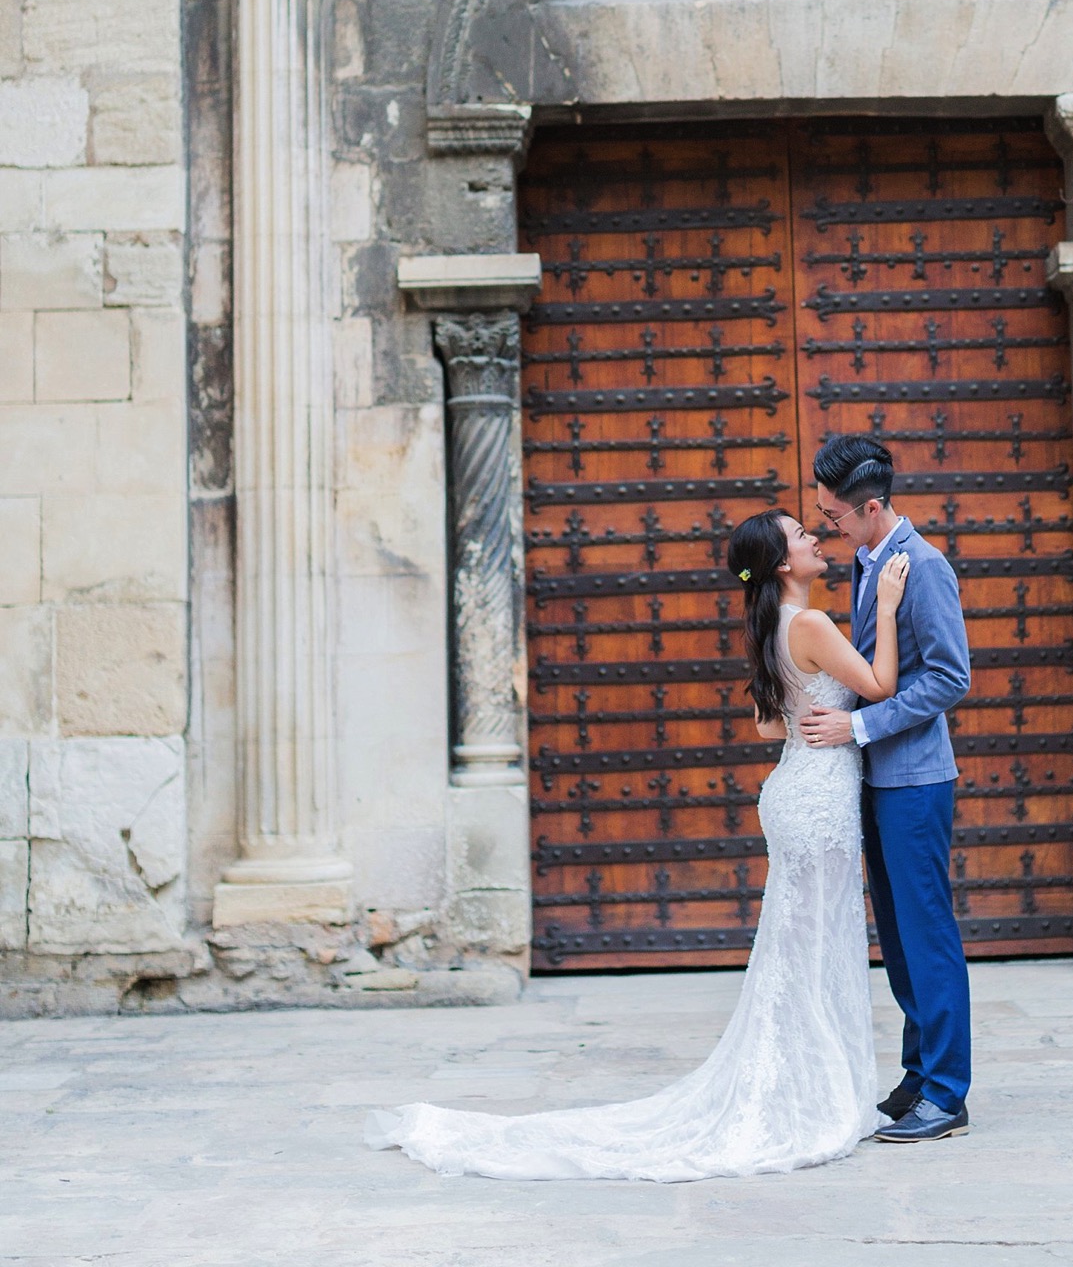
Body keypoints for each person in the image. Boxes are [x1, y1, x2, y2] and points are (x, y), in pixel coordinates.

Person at [364, 511, 909, 1183]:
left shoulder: (770, 626)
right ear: (779, 563)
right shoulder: (813, 625)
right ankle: (822, 1094)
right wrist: (885, 606)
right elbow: (881, 687)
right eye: (800, 536)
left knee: (797, 951)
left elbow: (771, 723)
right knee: (822, 947)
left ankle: (806, 1086)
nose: (813, 541)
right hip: (819, 798)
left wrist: (815, 721)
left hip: (793, 788)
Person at [801, 432, 973, 1143]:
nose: (829, 530)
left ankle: (948, 1092)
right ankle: (918, 1074)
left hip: (915, 781)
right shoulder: (871, 560)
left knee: (927, 933)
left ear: (871, 507)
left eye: (834, 519)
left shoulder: (924, 567)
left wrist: (861, 729)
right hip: (877, 780)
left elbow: (948, 676)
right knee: (899, 938)